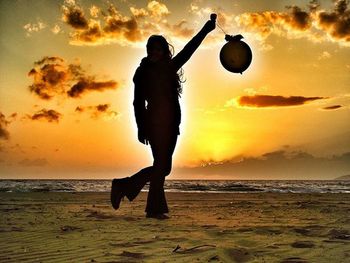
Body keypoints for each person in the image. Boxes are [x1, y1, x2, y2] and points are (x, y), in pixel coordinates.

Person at [111, 15, 216, 219]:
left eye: (157, 49)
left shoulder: (169, 68)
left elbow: (188, 50)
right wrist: (141, 127)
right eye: (150, 49)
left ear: (163, 51)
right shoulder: (142, 73)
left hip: (171, 125)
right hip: (155, 124)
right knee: (161, 167)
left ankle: (140, 198)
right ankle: (135, 194)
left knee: (163, 168)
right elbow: (137, 103)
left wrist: (207, 29)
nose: (153, 53)